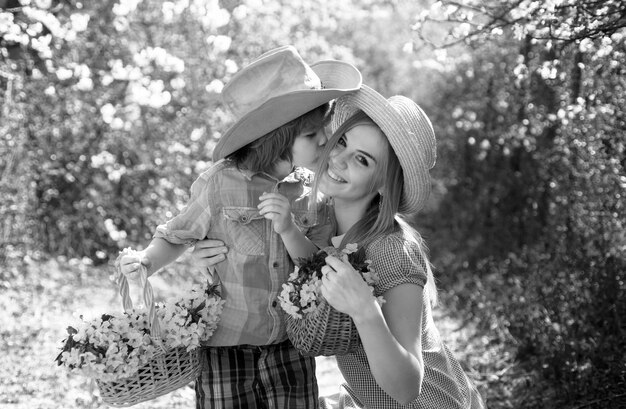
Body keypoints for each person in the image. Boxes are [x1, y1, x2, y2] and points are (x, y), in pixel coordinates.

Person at [194, 85, 486, 408]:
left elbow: (408, 387)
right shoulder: (317, 221)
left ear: (385, 187)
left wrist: (365, 308)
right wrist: (215, 251)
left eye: (362, 160)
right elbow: (290, 259)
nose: (339, 159)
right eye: (343, 142)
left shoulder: (391, 250)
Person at [119, 45, 362, 409]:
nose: (326, 141)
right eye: (313, 135)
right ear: (278, 135)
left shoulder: (311, 194)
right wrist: (146, 263)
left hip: (289, 346)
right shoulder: (221, 184)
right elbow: (177, 234)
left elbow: (318, 266)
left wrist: (289, 229)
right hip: (224, 346)